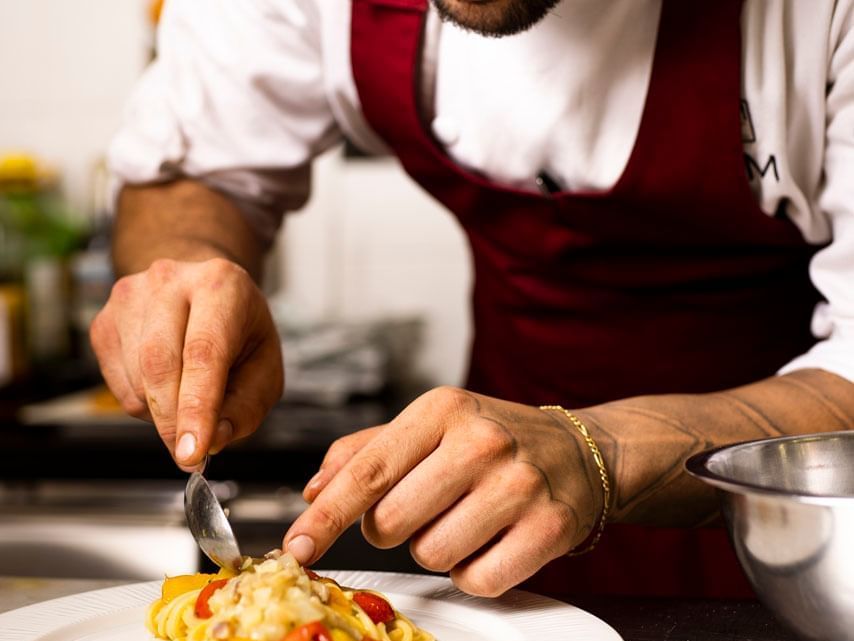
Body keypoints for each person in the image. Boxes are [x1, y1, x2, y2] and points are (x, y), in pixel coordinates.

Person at [93, 0, 854, 599]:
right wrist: (188, 266)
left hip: (797, 549)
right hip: (485, 552)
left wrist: (599, 456)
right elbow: (196, 171)